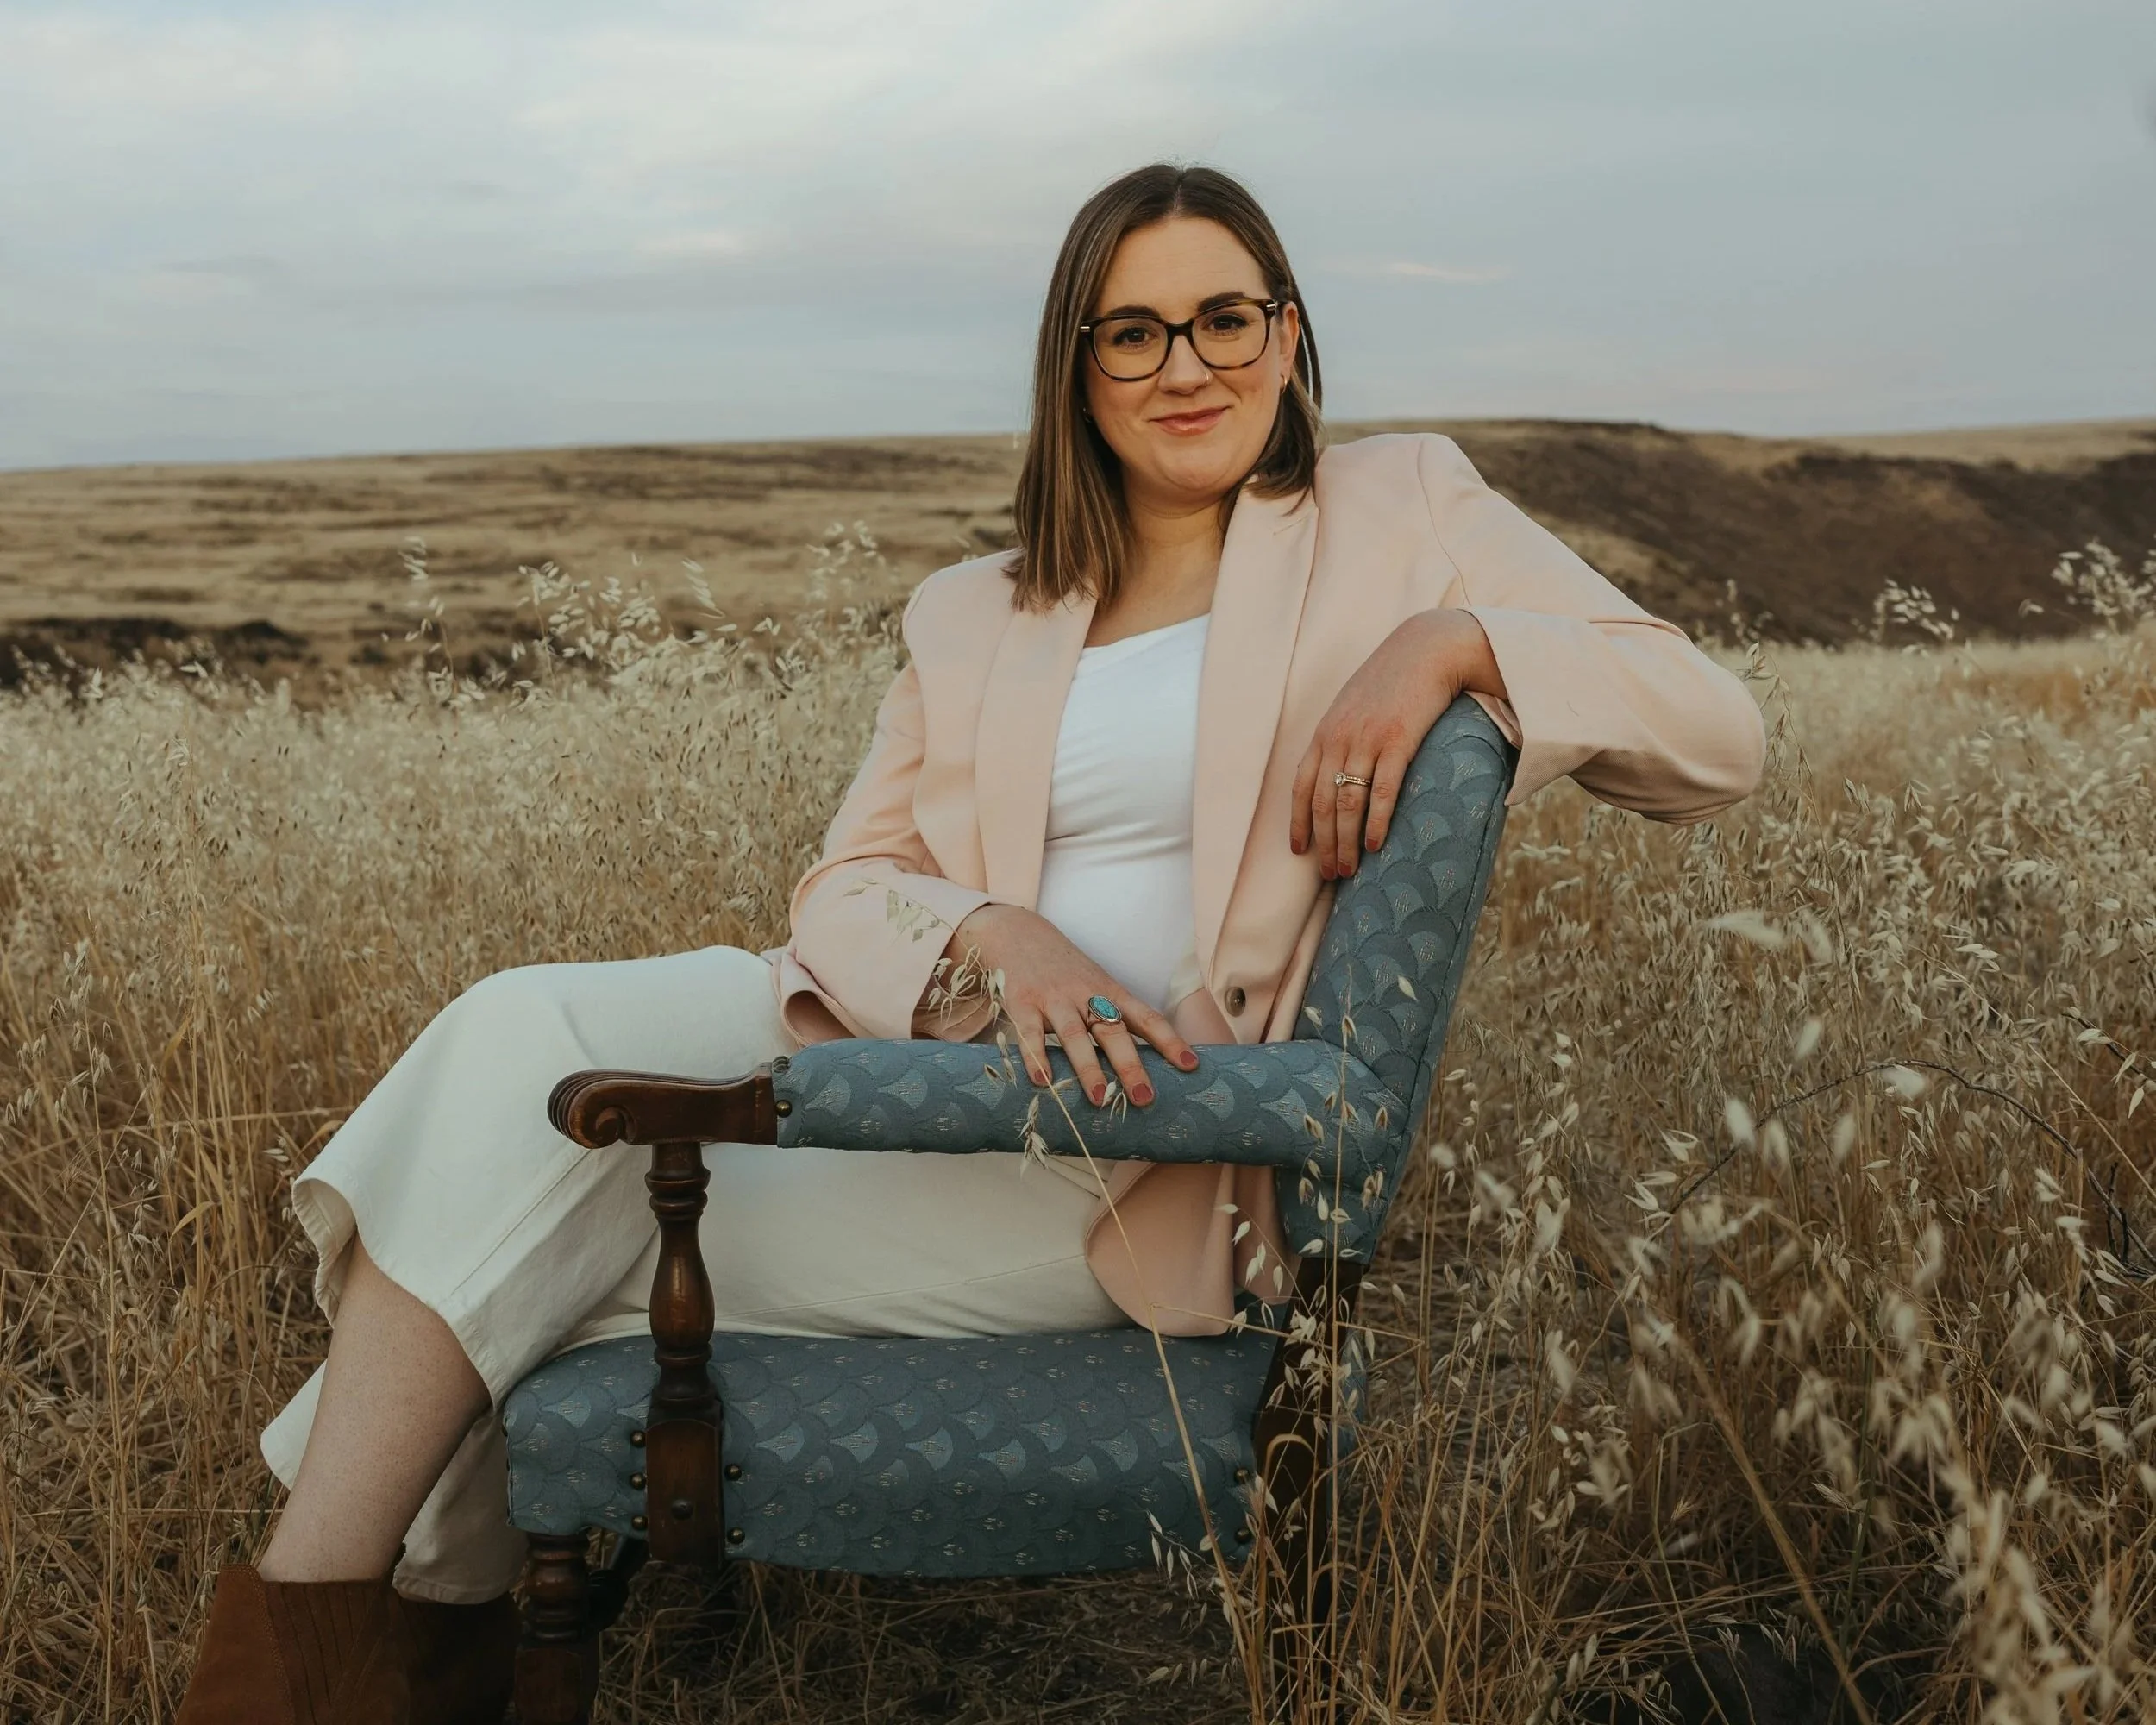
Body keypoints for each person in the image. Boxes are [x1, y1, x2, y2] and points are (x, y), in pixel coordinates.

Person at [176, 162, 1765, 1721]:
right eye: (1132, 333)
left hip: (1136, 1161)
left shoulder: (1402, 508)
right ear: (1076, 370)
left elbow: (1716, 734)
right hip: (908, 1080)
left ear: (1289, 334)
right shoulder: (976, 606)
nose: (1187, 365)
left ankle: (339, 1654)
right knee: (520, 1047)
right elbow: (846, 883)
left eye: (1225, 318)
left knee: (516, 1219)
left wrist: (1453, 638)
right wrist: (1002, 936)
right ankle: (351, 1645)